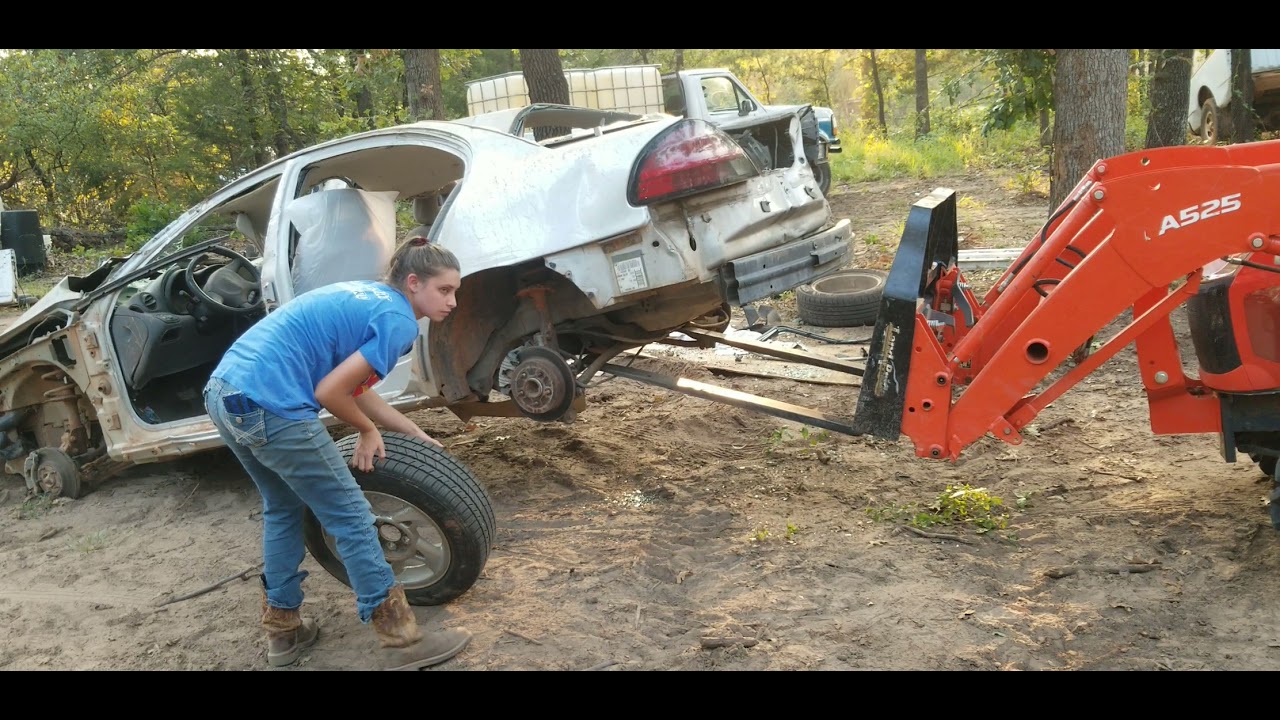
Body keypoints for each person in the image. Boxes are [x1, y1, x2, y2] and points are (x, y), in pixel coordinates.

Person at [202, 236, 471, 670]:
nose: (453, 302)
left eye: (455, 291)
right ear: (414, 282)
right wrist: (365, 430)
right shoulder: (398, 320)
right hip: (273, 403)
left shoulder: (369, 297)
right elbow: (330, 392)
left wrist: (412, 431)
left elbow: (354, 387)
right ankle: (402, 642)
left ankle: (283, 631)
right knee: (351, 516)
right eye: (444, 290)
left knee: (283, 508)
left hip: (225, 392)